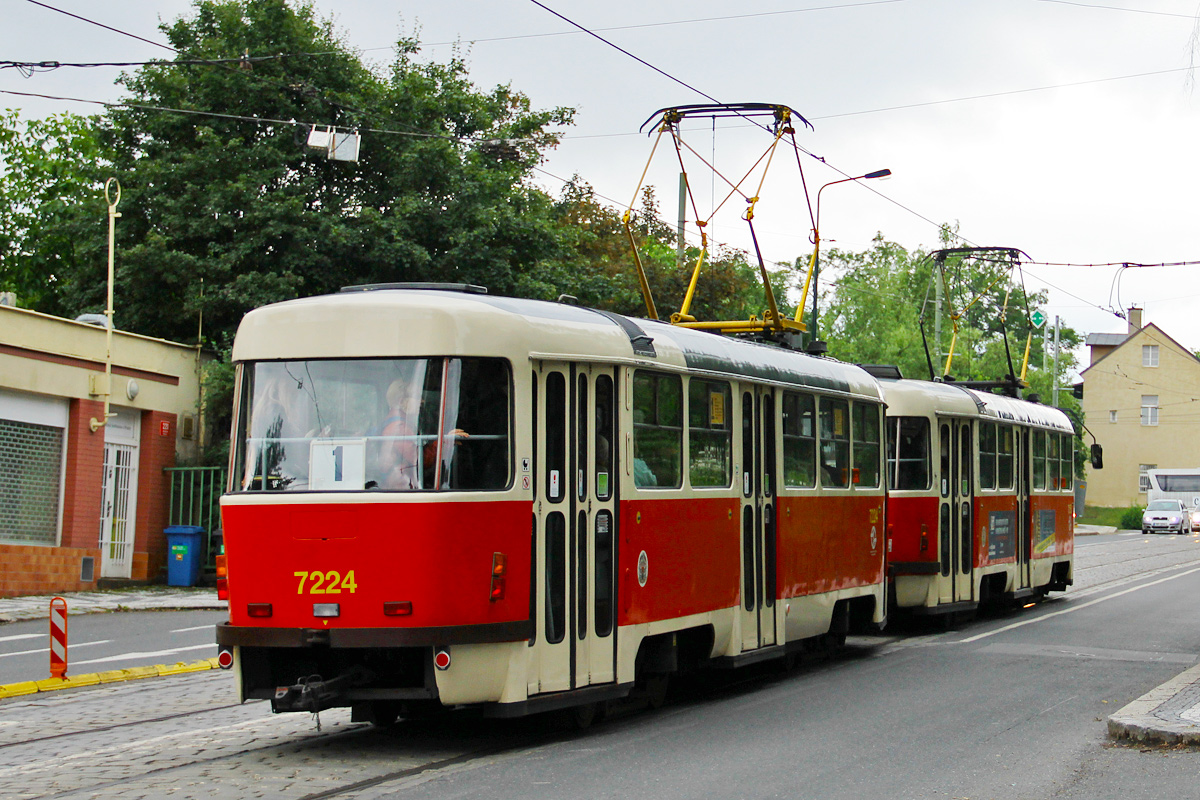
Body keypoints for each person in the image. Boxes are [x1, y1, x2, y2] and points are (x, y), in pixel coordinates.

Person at [375, 378, 468, 490]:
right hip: (401, 486)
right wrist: (445, 441)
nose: (421, 401)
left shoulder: (395, 421)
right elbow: (418, 460)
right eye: (417, 397)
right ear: (402, 401)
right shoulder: (398, 427)